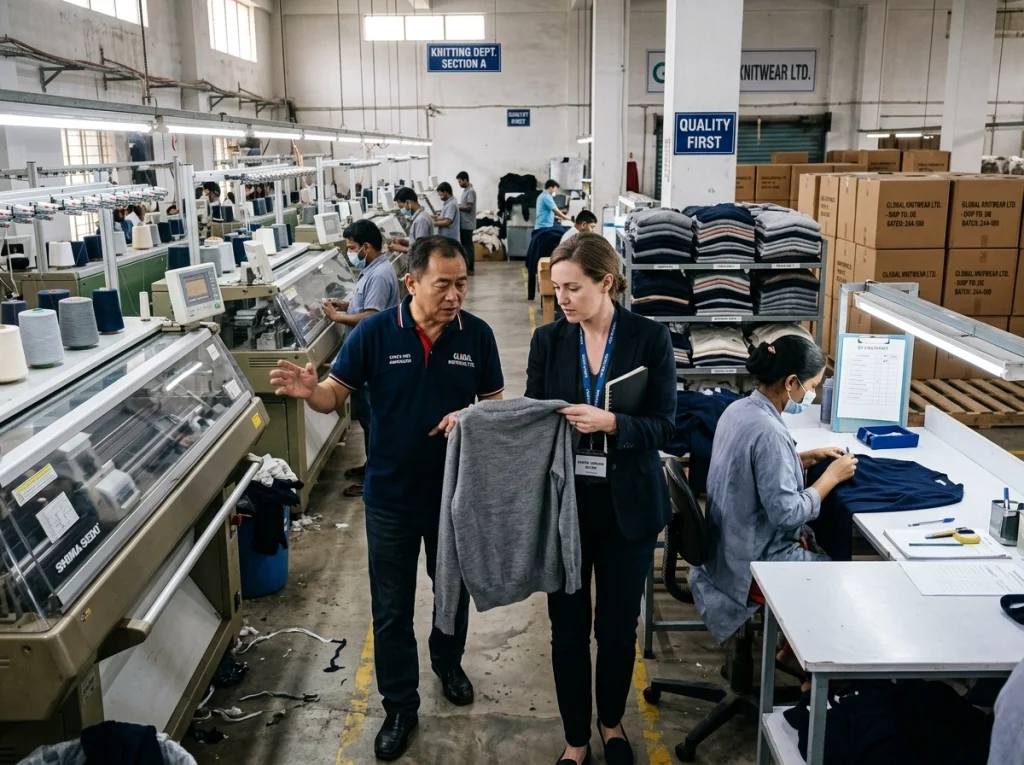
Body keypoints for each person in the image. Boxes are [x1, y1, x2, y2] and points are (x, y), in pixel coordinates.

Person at [270, 236, 505, 761]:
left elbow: (493, 405)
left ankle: (447, 660)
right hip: (390, 496)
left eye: (461, 282)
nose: (454, 295)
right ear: (412, 282)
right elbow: (336, 393)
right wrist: (314, 392)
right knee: (392, 607)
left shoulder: (478, 336)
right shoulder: (377, 333)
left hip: (453, 494)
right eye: (442, 283)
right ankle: (400, 704)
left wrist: (472, 419)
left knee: (452, 592)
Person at [525, 233, 677, 765]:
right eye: (557, 288)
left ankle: (611, 723)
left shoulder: (648, 339)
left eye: (573, 288)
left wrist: (614, 423)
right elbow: (532, 418)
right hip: (566, 507)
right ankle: (575, 738)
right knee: (568, 630)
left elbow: (664, 425)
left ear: (605, 282)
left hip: (627, 509)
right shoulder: (549, 342)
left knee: (616, 630)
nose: (561, 299)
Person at [689, 335, 859, 647]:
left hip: (725, 549)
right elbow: (787, 514)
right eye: (813, 386)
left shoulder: (739, 409)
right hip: (752, 564)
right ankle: (802, 662)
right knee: (844, 580)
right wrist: (830, 478)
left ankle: (788, 649)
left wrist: (802, 458)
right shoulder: (770, 433)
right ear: (792, 382)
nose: (814, 393)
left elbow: (751, 471)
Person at [322, 219, 401, 498]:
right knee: (369, 420)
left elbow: (371, 316)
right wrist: (345, 305)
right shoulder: (372, 269)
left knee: (373, 420)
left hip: (375, 358)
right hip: (367, 356)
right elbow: (365, 304)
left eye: (352, 248)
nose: (350, 253)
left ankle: (375, 479)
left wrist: (338, 317)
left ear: (367, 247)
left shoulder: (379, 274)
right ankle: (371, 466)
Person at [390, 187, 433, 255]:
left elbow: (420, 250)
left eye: (401, 207)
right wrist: (404, 241)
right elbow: (418, 242)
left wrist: (400, 248)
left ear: (408, 202)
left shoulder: (421, 220)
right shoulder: (420, 216)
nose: (401, 210)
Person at [456, 172, 477, 275]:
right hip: (464, 223)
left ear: (465, 180)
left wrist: (457, 206)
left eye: (460, 181)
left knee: (468, 246)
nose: (459, 183)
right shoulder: (466, 191)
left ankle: (470, 268)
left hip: (467, 224)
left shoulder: (470, 191)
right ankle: (467, 267)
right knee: (466, 246)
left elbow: (469, 207)